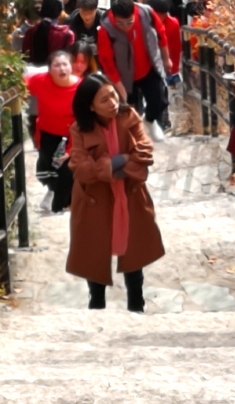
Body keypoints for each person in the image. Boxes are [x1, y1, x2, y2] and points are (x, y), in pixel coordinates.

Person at [65, 74, 164, 311]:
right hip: (94, 198)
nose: (112, 103)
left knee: (133, 249)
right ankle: (97, 305)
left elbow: (144, 152)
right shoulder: (79, 129)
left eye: (113, 95)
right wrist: (123, 161)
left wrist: (112, 167)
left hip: (129, 192)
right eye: (104, 100)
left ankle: (136, 305)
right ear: (90, 106)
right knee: (95, 251)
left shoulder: (128, 116)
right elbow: (81, 168)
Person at [96, 0, 169, 137]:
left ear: (134, 12)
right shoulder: (105, 29)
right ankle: (135, 138)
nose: (125, 26)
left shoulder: (146, 13)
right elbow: (106, 60)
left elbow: (161, 33)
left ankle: (149, 121)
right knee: (129, 110)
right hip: (124, 76)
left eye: (129, 22)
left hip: (149, 67)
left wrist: (166, 58)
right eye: (120, 23)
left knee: (159, 100)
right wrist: (118, 85)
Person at [26, 48, 79, 211]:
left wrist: (71, 148)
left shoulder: (80, 87)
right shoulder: (40, 80)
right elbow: (20, 85)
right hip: (47, 132)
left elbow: (82, 120)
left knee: (66, 168)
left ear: (71, 67)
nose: (62, 69)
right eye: (57, 65)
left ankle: (61, 202)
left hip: (72, 134)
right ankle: (54, 192)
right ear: (49, 68)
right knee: (46, 168)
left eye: (65, 64)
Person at [137, 0, 182, 120]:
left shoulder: (173, 24)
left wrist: (172, 73)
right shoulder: (141, 20)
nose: (159, 18)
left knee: (162, 97)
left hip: (162, 64)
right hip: (143, 65)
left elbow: (175, 49)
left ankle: (162, 119)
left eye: (162, 14)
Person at [21, 0, 74, 68]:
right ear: (60, 13)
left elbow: (25, 57)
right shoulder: (67, 34)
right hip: (58, 75)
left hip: (33, 74)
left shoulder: (30, 31)